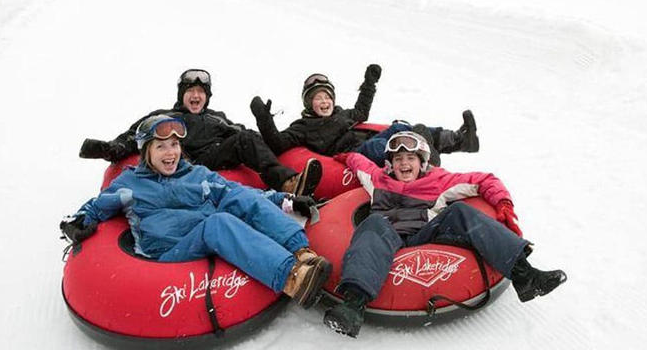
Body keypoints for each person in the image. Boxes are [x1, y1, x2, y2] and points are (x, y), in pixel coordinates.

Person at [62, 115, 332, 309]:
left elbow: (241, 194)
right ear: (146, 151)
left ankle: (301, 253)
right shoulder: (129, 184)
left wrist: (285, 200)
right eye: (161, 146)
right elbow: (95, 207)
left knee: (238, 197)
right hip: (169, 253)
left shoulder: (197, 174)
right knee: (219, 222)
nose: (171, 153)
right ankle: (292, 279)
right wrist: (76, 224)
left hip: (206, 239)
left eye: (175, 145)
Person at [322, 132, 567, 337]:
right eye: (398, 159)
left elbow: (484, 180)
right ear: (390, 163)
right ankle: (353, 306)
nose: (404, 164)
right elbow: (357, 161)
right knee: (374, 222)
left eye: (410, 158)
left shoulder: (439, 180)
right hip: (385, 235)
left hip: (423, 236)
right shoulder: (377, 179)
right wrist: (342, 156)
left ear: (422, 162)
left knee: (460, 211)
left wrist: (503, 203)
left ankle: (525, 276)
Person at [79, 69, 322, 196]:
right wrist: (112, 149)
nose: (196, 96)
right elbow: (137, 135)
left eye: (201, 92)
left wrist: (267, 135)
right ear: (181, 95)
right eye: (190, 91)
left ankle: (288, 183)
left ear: (207, 97)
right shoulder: (165, 116)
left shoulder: (216, 118)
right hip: (180, 164)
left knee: (245, 138)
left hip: (212, 159)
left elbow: (244, 136)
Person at [250, 65, 479, 169]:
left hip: (364, 142)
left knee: (407, 128)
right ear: (309, 104)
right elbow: (278, 144)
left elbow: (361, 112)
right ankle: (427, 164)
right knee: (382, 145)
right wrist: (264, 120)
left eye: (327, 97)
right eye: (318, 98)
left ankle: (459, 140)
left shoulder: (342, 114)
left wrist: (369, 83)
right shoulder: (302, 126)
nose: (324, 102)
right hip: (349, 155)